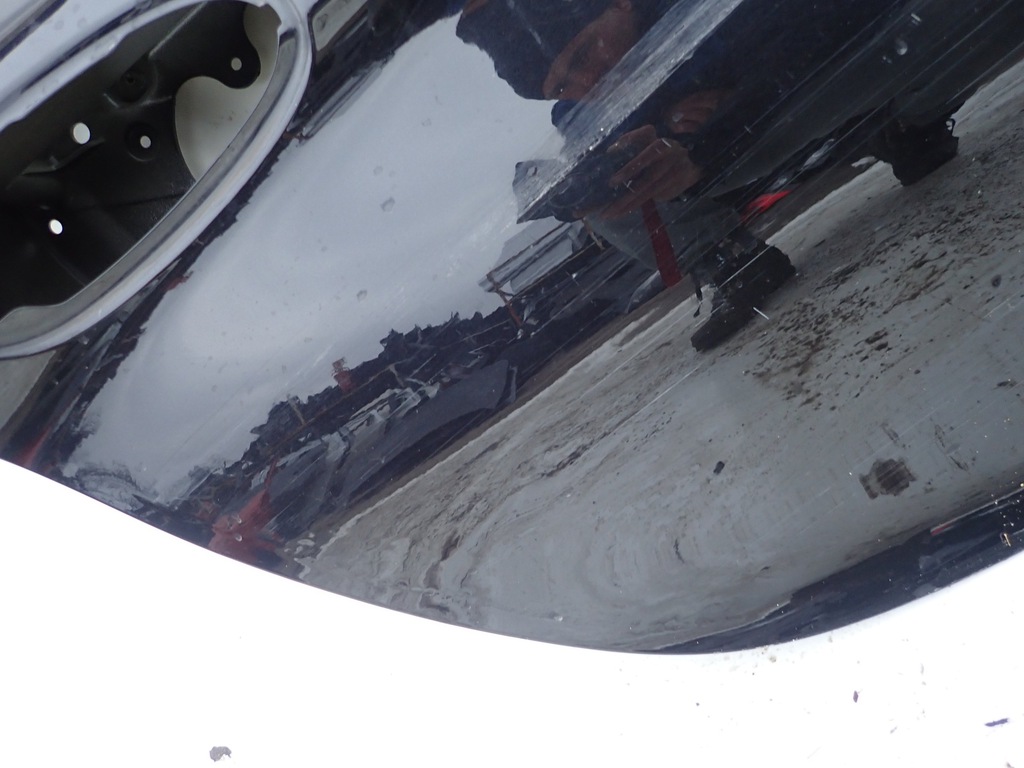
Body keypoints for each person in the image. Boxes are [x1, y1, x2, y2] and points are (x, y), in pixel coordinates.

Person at [455, 0, 973, 350]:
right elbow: (560, 173)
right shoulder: (584, 113)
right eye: (561, 86)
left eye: (586, 51)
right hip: (744, 161)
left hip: (827, 103)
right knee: (602, 189)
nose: (588, 84)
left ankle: (911, 125)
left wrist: (727, 114)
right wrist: (597, 178)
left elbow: (823, 23)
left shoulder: (703, 11)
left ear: (622, 3)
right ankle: (729, 261)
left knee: (922, 20)